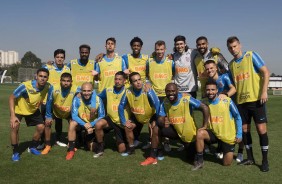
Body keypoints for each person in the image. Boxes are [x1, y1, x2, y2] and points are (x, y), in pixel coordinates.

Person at [227, 36, 270, 172]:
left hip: (256, 100)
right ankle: (250, 157)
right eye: (230, 47)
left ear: (240, 45)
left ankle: (265, 161)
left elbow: (265, 72)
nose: (233, 49)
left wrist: (264, 92)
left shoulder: (251, 55)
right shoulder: (231, 64)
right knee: (245, 131)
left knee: (261, 130)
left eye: (234, 46)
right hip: (241, 103)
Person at [140, 83, 210, 166]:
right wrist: (163, 121)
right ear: (165, 92)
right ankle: (153, 156)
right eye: (168, 91)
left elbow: (204, 107)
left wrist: (204, 126)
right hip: (176, 132)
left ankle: (202, 146)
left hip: (190, 137)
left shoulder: (186, 99)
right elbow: (160, 118)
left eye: (173, 91)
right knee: (156, 127)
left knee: (191, 159)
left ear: (177, 91)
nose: (171, 93)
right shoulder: (165, 102)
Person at [192, 80, 242, 171]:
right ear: (205, 91)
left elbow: (237, 116)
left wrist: (239, 134)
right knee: (200, 133)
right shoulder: (205, 102)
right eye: (208, 90)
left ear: (217, 90)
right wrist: (184, 96)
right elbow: (192, 104)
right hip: (214, 133)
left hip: (227, 136)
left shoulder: (227, 101)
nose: (210, 92)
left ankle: (223, 148)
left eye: (212, 89)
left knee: (226, 163)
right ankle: (199, 160)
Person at [9, 68, 51, 161]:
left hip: (33, 110)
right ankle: (15, 152)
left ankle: (32, 147)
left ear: (48, 78)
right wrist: (12, 115)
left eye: (45, 77)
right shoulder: (25, 86)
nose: (42, 79)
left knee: (41, 127)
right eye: (40, 76)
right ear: (36, 76)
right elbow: (11, 97)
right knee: (14, 127)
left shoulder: (48, 86)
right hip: (19, 109)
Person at [118, 72, 160, 155]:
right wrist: (124, 121)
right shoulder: (128, 91)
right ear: (131, 83)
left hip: (151, 115)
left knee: (154, 129)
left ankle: (156, 149)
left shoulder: (147, 89)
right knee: (127, 127)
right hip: (137, 116)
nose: (138, 82)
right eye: (135, 81)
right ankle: (131, 148)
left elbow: (157, 104)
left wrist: (157, 120)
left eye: (139, 79)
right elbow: (121, 106)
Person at [94, 71, 131, 157]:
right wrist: (80, 94)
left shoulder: (129, 91)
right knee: (98, 124)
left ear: (124, 80)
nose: (117, 81)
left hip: (122, 122)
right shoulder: (108, 90)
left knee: (122, 150)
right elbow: (97, 97)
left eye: (120, 79)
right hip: (110, 119)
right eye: (116, 79)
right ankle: (100, 146)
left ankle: (121, 141)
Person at [42, 73, 80, 154]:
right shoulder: (53, 88)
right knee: (47, 123)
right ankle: (47, 145)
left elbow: (90, 92)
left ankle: (71, 144)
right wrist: (48, 116)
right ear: (60, 81)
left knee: (74, 124)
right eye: (64, 81)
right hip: (55, 111)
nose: (66, 83)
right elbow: (49, 102)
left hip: (68, 113)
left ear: (71, 82)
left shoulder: (76, 88)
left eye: (68, 81)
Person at [65, 82, 105, 160]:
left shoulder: (98, 100)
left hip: (92, 126)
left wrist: (91, 124)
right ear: (81, 91)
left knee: (91, 148)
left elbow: (102, 116)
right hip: (82, 123)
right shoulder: (77, 99)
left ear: (92, 91)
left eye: (89, 91)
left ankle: (87, 139)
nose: (86, 93)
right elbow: (74, 116)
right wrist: (85, 124)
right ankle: (71, 150)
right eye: (84, 91)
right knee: (72, 123)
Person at [43, 49, 71, 147]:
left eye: (62, 57)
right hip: (47, 100)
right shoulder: (47, 67)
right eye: (58, 57)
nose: (59, 59)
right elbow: (41, 79)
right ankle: (44, 141)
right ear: (54, 58)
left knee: (59, 120)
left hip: (60, 99)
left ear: (64, 59)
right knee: (46, 121)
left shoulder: (67, 69)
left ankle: (58, 139)